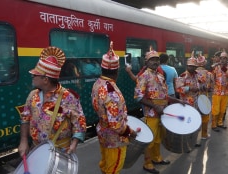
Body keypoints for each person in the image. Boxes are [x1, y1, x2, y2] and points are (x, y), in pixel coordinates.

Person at [17, 46, 87, 157]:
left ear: (45, 80)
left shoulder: (68, 97)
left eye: (35, 75)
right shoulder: (32, 96)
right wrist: (24, 141)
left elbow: (79, 122)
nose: (32, 76)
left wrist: (74, 144)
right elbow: (25, 119)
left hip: (61, 152)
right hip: (36, 149)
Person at [134, 47, 184, 174]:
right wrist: (155, 107)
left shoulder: (160, 75)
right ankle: (147, 163)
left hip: (162, 113)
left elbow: (164, 95)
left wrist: (178, 101)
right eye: (152, 60)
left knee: (158, 138)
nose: (155, 62)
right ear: (146, 62)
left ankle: (156, 158)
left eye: (156, 59)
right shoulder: (143, 76)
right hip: (151, 114)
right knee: (150, 140)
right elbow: (138, 97)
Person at [92, 42, 137, 174]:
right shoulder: (112, 92)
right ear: (116, 71)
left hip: (103, 133)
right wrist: (130, 132)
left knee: (106, 165)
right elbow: (116, 125)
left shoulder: (98, 83)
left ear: (102, 69)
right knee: (113, 169)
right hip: (115, 140)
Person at [211, 51, 228, 131]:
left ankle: (220, 123)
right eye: (221, 58)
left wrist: (222, 67)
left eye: (224, 58)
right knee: (215, 109)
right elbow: (211, 77)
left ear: (227, 59)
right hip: (217, 91)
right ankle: (214, 124)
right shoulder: (215, 67)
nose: (222, 60)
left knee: (223, 109)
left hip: (226, 92)